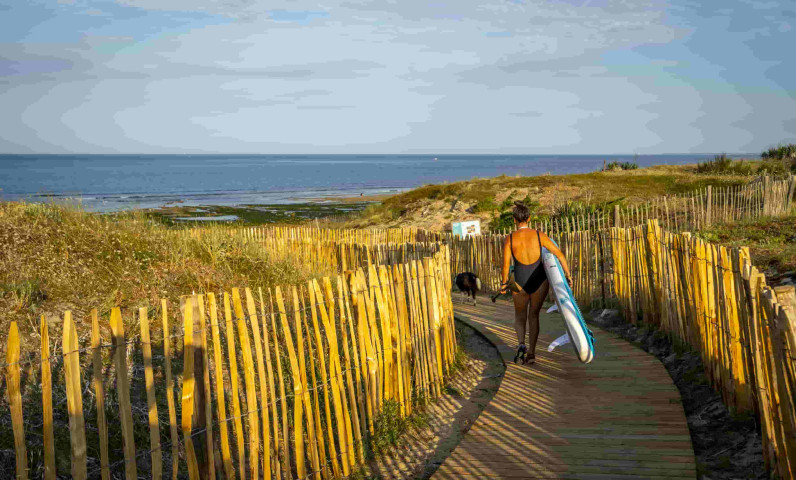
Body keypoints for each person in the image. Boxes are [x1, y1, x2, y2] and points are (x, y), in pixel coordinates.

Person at [499, 202, 572, 365]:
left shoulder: (510, 238)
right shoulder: (540, 235)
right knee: (534, 316)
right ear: (529, 218)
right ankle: (531, 353)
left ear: (514, 220)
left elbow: (505, 265)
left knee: (520, 316)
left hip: (518, 281)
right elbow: (559, 255)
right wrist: (567, 274)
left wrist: (504, 284)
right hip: (539, 281)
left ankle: (521, 344)